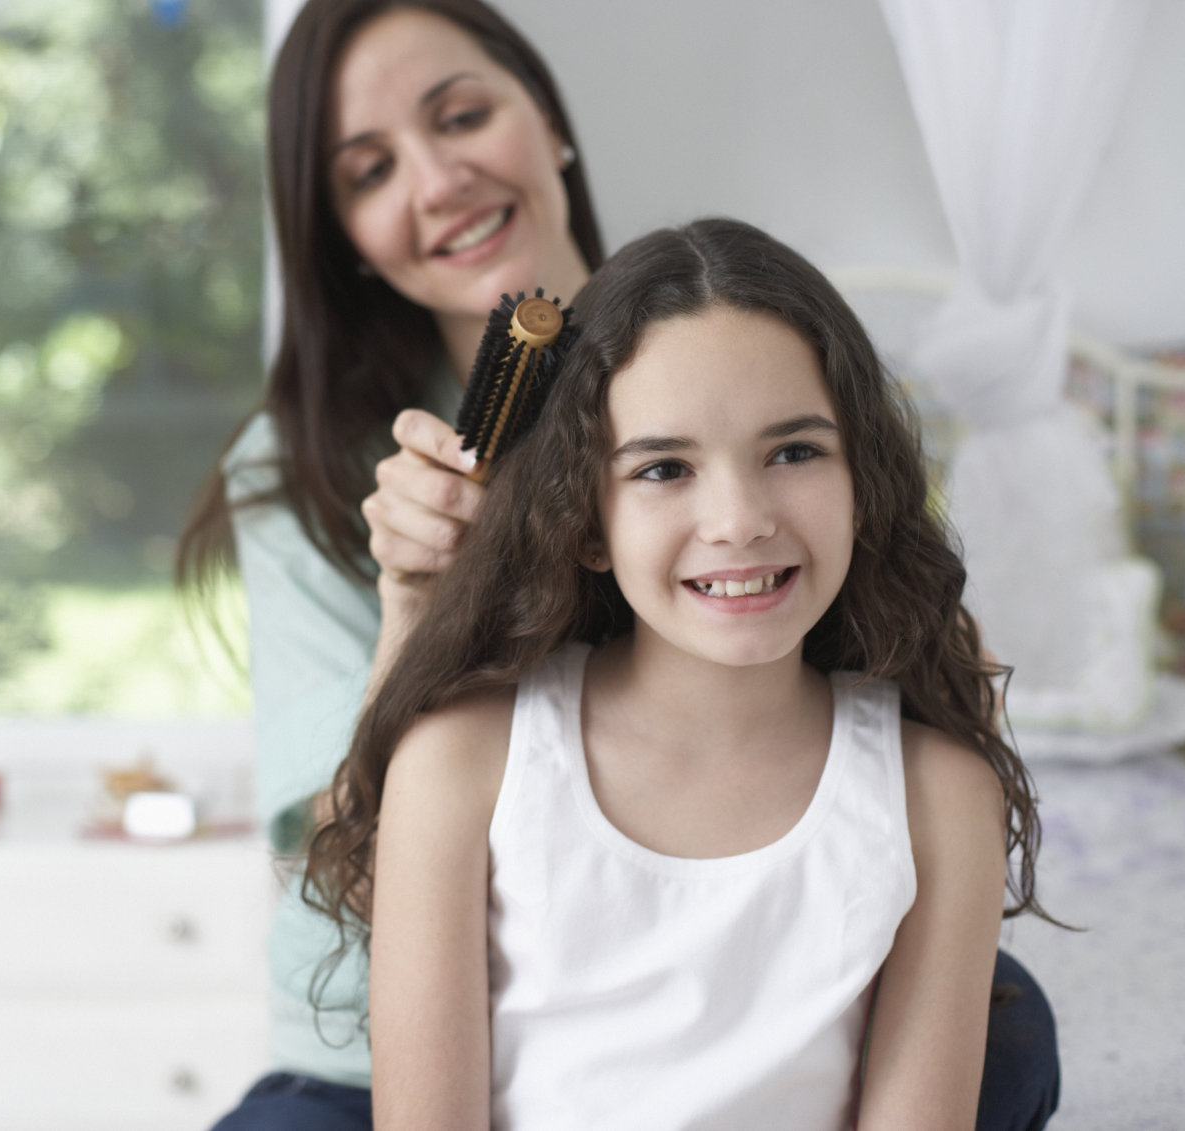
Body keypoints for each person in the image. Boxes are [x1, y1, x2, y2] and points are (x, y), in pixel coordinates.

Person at [176, 2, 1058, 1127]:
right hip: (372, 1046)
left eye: (463, 115)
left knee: (1009, 1028)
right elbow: (360, 875)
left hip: (759, 955)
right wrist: (412, 610)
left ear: (548, 120)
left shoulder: (723, 326)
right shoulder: (299, 475)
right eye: (370, 171)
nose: (439, 179)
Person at [305, 218, 1055, 1129]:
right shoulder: (463, 764)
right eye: (664, 467)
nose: (738, 519)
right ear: (583, 521)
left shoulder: (936, 796)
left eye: (794, 452)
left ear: (867, 486)